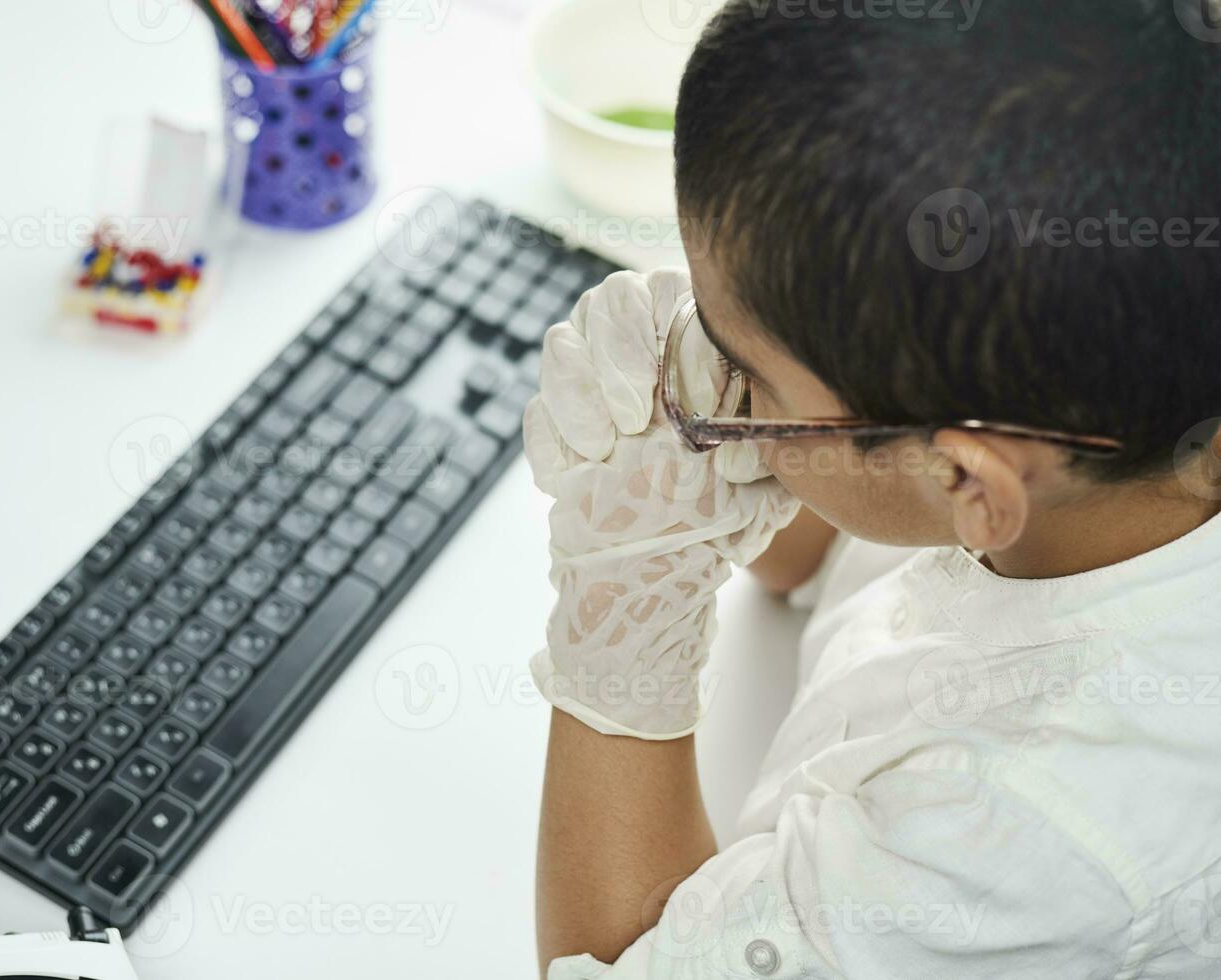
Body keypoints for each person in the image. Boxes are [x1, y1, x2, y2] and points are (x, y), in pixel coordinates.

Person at [523, 1, 1221, 976]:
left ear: (966, 478)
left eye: (748, 366)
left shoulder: (1027, 829)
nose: (715, 363)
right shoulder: (1087, 429)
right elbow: (808, 553)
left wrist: (622, 614)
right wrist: (733, 410)